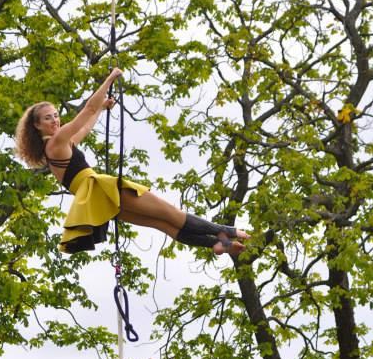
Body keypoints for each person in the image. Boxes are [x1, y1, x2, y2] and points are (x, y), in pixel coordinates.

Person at [15, 68, 248, 256]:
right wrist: (110, 78)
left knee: (161, 224)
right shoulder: (56, 141)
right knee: (170, 214)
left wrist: (103, 108)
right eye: (48, 118)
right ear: (37, 125)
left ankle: (220, 245)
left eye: (56, 115)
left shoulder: (55, 147)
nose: (55, 120)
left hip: (97, 199)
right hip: (101, 189)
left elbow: (86, 124)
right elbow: (88, 108)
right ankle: (228, 232)